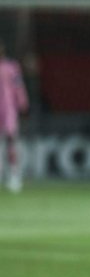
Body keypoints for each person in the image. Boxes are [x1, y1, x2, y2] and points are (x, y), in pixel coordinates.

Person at [0, 41, 29, 193]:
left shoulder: (11, 67)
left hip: (9, 110)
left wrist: (22, 102)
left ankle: (14, 176)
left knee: (11, 143)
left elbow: (18, 86)